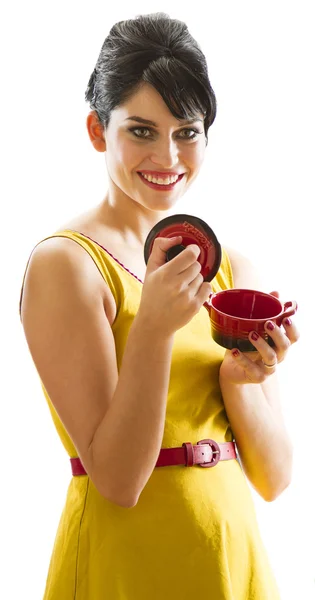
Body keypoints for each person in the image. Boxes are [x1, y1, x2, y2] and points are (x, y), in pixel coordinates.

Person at [19, 12, 299, 600]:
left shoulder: (231, 269)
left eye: (187, 131)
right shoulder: (66, 266)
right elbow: (118, 481)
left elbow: (275, 480)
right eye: (141, 130)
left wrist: (240, 378)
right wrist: (152, 328)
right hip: (124, 564)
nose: (168, 156)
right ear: (98, 130)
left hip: (231, 558)